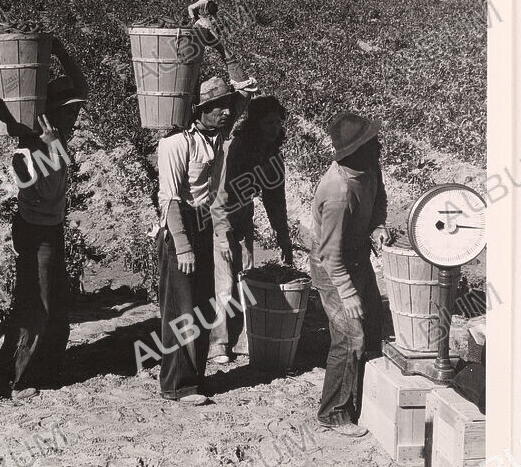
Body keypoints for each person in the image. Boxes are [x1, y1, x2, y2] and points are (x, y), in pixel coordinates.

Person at [0, 38, 89, 400]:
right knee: (36, 303)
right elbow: (48, 189)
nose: (75, 117)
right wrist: (52, 146)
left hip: (52, 230)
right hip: (35, 234)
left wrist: (60, 51)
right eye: (68, 111)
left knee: (56, 302)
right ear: (50, 115)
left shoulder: (54, 141)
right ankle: (17, 379)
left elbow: (83, 88)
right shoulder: (26, 152)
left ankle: (48, 368)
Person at [156, 77, 252, 405]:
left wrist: (220, 49)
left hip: (203, 224)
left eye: (227, 105)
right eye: (217, 107)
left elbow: (245, 93)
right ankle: (177, 384)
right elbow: (168, 199)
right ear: (201, 111)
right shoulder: (175, 143)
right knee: (181, 309)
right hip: (180, 226)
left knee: (200, 305)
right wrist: (182, 245)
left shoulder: (216, 134)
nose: (226, 111)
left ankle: (194, 378)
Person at [309, 112, 389, 436]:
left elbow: (380, 196)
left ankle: (364, 401)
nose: (379, 146)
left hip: (355, 256)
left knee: (372, 326)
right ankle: (333, 412)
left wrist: (378, 225)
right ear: (354, 151)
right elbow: (330, 255)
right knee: (349, 334)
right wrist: (347, 292)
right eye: (373, 142)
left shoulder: (369, 166)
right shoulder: (338, 191)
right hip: (332, 267)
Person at [210, 96, 293, 364]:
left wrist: (283, 237)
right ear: (255, 123)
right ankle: (218, 343)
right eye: (269, 122)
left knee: (245, 275)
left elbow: (275, 200)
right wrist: (223, 237)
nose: (275, 128)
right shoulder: (235, 150)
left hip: (243, 217)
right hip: (216, 218)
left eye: (278, 122)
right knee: (223, 280)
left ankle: (245, 337)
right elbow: (218, 200)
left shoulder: (271, 155)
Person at [186, 0, 259, 92]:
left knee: (214, 37)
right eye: (208, 13)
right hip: (195, 18)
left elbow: (213, 19)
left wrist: (215, 26)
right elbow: (190, 8)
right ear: (206, 9)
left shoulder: (209, 11)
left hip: (202, 23)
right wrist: (193, 18)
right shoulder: (200, 3)